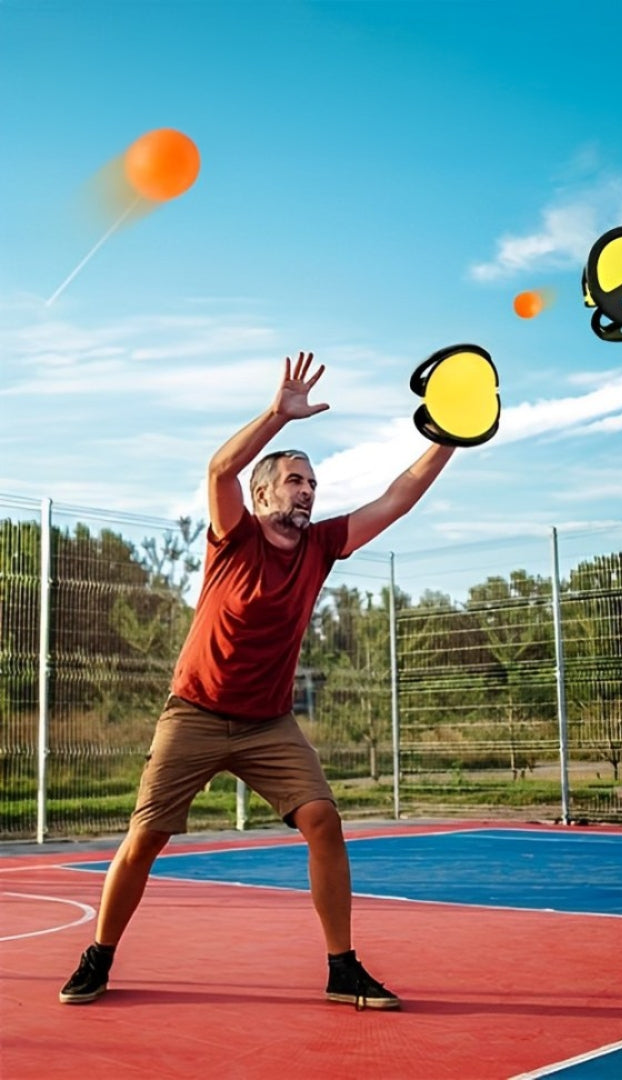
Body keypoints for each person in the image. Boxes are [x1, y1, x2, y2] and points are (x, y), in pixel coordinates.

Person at [60, 351, 457, 1011]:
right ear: (265, 492)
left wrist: (447, 437)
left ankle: (342, 969)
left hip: (268, 724)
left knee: (323, 820)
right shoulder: (233, 537)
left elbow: (398, 496)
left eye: (313, 484)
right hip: (193, 713)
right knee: (146, 836)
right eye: (296, 480)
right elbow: (219, 468)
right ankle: (98, 955)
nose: (307, 491)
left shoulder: (322, 546)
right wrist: (278, 413)